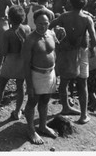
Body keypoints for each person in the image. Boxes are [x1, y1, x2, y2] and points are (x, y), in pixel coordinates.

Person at [49, 0, 96, 124]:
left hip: (66, 52)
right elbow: (93, 39)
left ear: (70, 2)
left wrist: (58, 39)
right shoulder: (87, 19)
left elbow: (49, 26)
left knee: (64, 82)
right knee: (82, 83)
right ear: (85, 4)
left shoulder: (64, 16)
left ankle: (65, 107)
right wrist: (92, 49)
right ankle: (83, 115)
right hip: (81, 52)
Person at [22, 8, 59, 144]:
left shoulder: (51, 34)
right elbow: (26, 64)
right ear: (35, 23)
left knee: (45, 100)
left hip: (50, 73)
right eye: (40, 24)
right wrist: (29, 85)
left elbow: (54, 51)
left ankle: (43, 125)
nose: (43, 26)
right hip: (36, 74)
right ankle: (31, 130)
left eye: (46, 23)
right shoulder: (30, 40)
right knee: (33, 101)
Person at [0, 5, 31, 119]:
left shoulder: (8, 33)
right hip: (22, 61)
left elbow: (3, 52)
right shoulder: (27, 29)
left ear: (10, 19)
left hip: (11, 61)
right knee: (20, 86)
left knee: (1, 84)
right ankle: (17, 111)